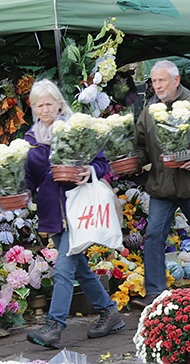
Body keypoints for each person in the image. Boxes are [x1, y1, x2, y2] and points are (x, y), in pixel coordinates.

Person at [25, 79, 124, 349]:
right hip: (52, 214)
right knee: (79, 268)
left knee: (65, 269)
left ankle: (54, 326)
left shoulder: (79, 129)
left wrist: (87, 172)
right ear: (33, 108)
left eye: (49, 103)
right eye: (39, 105)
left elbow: (102, 163)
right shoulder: (30, 140)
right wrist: (18, 191)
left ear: (59, 103)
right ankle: (109, 312)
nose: (45, 109)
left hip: (78, 210)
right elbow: (29, 179)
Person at [131, 60, 190, 309]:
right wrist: (131, 162)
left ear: (176, 80)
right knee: (153, 237)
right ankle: (155, 294)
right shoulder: (149, 111)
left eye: (161, 80)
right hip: (162, 187)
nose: (157, 85)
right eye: (154, 81)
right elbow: (141, 146)